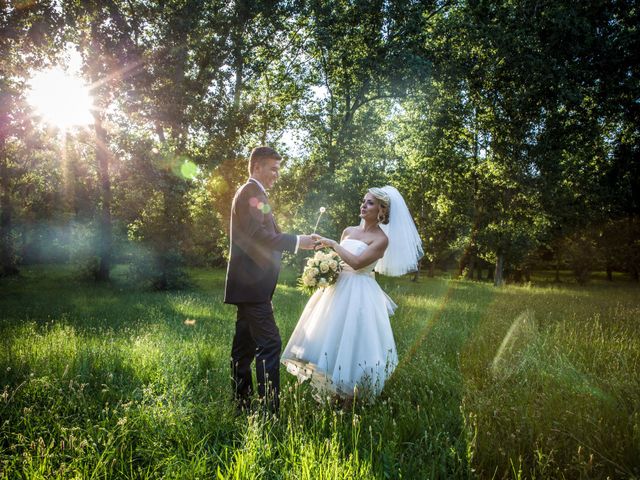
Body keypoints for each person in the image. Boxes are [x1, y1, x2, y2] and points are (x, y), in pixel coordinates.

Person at [281, 186, 424, 402]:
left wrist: (332, 244)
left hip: (360, 292)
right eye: (363, 201)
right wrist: (323, 269)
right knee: (330, 337)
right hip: (336, 290)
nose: (363, 205)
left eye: (370, 203)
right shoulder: (349, 231)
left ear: (382, 211)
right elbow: (340, 260)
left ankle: (350, 397)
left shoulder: (381, 239)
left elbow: (357, 263)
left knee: (352, 340)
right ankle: (330, 392)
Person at [224, 146, 315, 412]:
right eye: (273, 169)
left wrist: (298, 241)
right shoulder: (250, 192)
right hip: (252, 286)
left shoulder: (254, 193)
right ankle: (269, 411)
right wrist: (298, 242)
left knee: (243, 349)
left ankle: (241, 403)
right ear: (256, 167)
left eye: (278, 169)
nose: (277, 175)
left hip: (250, 286)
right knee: (270, 343)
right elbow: (256, 236)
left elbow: (265, 234)